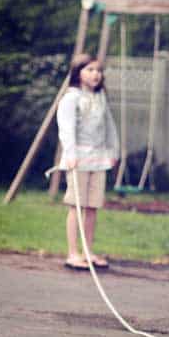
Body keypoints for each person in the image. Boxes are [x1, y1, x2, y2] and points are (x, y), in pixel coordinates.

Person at [56, 53, 119, 270]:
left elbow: (109, 126)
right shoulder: (71, 98)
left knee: (92, 207)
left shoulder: (100, 98)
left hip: (98, 158)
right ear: (78, 73)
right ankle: (72, 253)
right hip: (79, 159)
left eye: (98, 71)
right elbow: (66, 128)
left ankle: (87, 251)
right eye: (90, 70)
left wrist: (113, 150)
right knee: (76, 206)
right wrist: (70, 153)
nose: (96, 74)